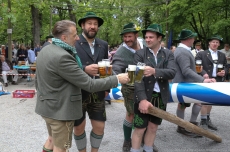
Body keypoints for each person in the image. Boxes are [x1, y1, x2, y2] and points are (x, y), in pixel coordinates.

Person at [35, 20, 129, 152]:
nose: (77, 37)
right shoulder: (63, 56)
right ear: (64, 37)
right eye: (74, 35)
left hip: (47, 107)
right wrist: (117, 78)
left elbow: (37, 81)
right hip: (61, 111)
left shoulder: (46, 50)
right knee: (60, 147)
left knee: (51, 140)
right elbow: (89, 84)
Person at [130, 24, 176, 152]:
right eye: (146, 37)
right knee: (140, 128)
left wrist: (155, 71)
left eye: (151, 37)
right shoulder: (140, 54)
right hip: (143, 95)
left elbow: (172, 72)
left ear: (159, 38)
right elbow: (137, 79)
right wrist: (142, 100)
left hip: (160, 96)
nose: (148, 40)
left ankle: (148, 149)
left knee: (153, 127)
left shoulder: (168, 54)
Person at [73, 12, 110, 152]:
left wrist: (108, 88)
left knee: (100, 127)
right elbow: (67, 65)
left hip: (98, 91)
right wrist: (84, 69)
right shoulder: (74, 42)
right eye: (89, 23)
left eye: (95, 24)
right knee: (78, 127)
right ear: (83, 25)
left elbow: (106, 67)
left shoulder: (103, 45)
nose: (92, 26)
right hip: (78, 92)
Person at [111, 22, 148, 152]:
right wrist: (117, 75)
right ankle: (127, 140)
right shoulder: (121, 52)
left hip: (147, 85)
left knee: (146, 112)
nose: (127, 40)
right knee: (131, 114)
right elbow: (115, 68)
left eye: (129, 36)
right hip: (130, 87)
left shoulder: (145, 44)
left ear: (136, 35)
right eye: (125, 37)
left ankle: (145, 139)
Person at [173, 29, 216, 138]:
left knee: (197, 102)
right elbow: (186, 70)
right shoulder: (182, 52)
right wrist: (202, 79)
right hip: (184, 84)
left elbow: (188, 69)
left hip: (186, 83)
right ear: (189, 39)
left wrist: (201, 72)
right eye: (193, 37)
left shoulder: (183, 50)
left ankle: (190, 124)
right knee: (183, 105)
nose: (194, 40)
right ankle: (183, 126)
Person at [196, 35, 227, 130]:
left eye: (217, 42)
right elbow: (197, 65)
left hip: (216, 80)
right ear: (209, 43)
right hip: (206, 79)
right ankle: (203, 121)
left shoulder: (222, 55)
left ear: (219, 44)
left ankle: (207, 119)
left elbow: (226, 66)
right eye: (213, 42)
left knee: (211, 100)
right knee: (205, 100)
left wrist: (224, 72)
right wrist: (204, 74)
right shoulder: (202, 54)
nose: (215, 44)